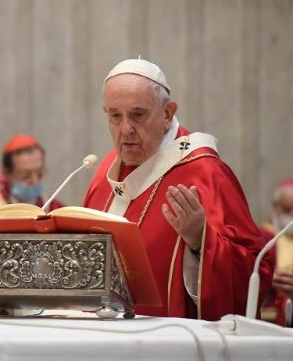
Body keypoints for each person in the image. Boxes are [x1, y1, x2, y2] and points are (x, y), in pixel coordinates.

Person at [82, 58, 272, 320]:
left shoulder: (204, 173)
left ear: (167, 113)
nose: (126, 129)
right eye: (115, 116)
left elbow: (254, 269)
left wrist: (201, 241)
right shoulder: (106, 171)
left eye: (138, 115)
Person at [0, 134, 64, 210]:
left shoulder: (53, 208)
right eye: (25, 176)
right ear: (7, 174)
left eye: (39, 173)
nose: (35, 181)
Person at [261, 179, 293, 326]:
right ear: (275, 207)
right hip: (268, 313)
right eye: (287, 209)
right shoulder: (262, 237)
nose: (291, 215)